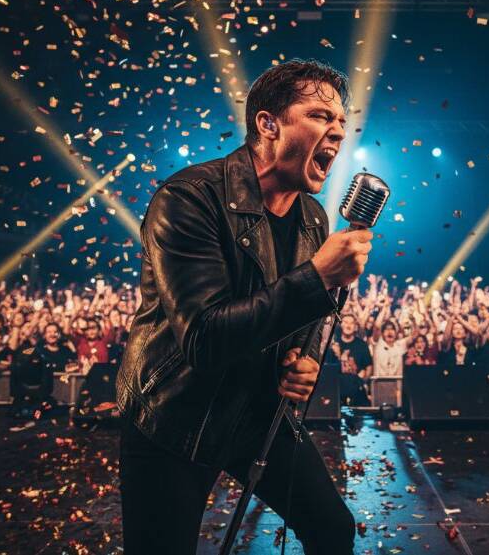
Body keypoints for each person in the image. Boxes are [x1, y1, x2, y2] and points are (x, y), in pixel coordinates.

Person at [117, 60, 367, 554]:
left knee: (332, 529)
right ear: (268, 124)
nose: (338, 132)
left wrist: (305, 357)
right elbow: (205, 338)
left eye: (342, 121)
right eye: (320, 116)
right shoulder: (190, 198)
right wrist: (317, 276)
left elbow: (308, 317)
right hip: (174, 415)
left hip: (256, 410)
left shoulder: (312, 218)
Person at [329, 313, 372, 405]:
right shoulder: (333, 345)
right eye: (346, 322)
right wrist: (338, 356)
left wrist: (362, 381)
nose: (348, 325)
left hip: (357, 392)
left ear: (355, 327)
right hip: (337, 391)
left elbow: (368, 367)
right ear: (341, 325)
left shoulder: (362, 345)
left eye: (351, 323)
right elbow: (328, 369)